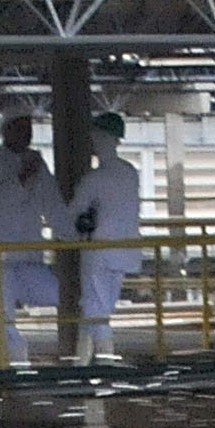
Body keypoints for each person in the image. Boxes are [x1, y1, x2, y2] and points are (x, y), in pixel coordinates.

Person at [0, 111, 66, 367]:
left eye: (30, 127)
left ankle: (85, 343)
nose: (27, 133)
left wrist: (71, 236)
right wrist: (24, 176)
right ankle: (15, 362)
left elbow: (52, 203)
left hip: (26, 253)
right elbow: (0, 198)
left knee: (62, 295)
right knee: (3, 314)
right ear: (6, 132)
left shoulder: (36, 163)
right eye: (21, 127)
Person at [66, 109, 143, 361]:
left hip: (98, 250)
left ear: (101, 138)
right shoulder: (130, 172)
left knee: (94, 308)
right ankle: (82, 363)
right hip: (126, 250)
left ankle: (107, 363)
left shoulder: (93, 180)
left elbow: (73, 215)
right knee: (98, 307)